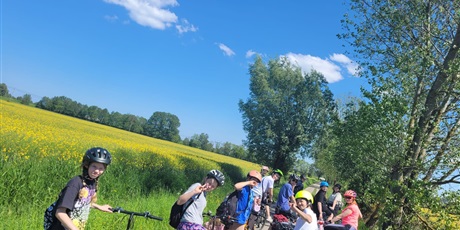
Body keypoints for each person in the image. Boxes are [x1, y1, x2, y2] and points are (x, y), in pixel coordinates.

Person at [44, 147, 113, 230]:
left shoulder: (91, 183)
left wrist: (99, 207)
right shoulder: (75, 184)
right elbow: (60, 212)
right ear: (87, 165)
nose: (97, 171)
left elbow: (81, 202)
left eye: (101, 168)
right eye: (94, 166)